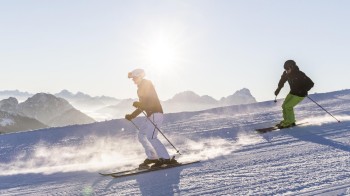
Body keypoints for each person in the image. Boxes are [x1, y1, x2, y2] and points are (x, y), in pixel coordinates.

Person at [125, 68, 177, 169]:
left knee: (152, 137)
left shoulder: (147, 84)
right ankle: (153, 157)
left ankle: (165, 158)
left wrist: (140, 104)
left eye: (134, 78)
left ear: (140, 76)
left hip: (156, 113)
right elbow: (143, 106)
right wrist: (132, 116)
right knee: (141, 135)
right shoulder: (140, 88)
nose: (133, 80)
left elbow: (150, 102)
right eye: (132, 79)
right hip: (150, 115)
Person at [274, 60, 314, 128]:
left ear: (292, 67)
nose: (286, 70)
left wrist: (303, 90)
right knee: (284, 106)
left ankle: (290, 122)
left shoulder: (299, 74)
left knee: (288, 106)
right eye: (285, 69)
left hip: (300, 94)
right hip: (292, 92)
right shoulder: (286, 74)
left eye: (287, 68)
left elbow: (311, 83)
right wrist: (278, 89)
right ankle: (286, 121)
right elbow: (282, 81)